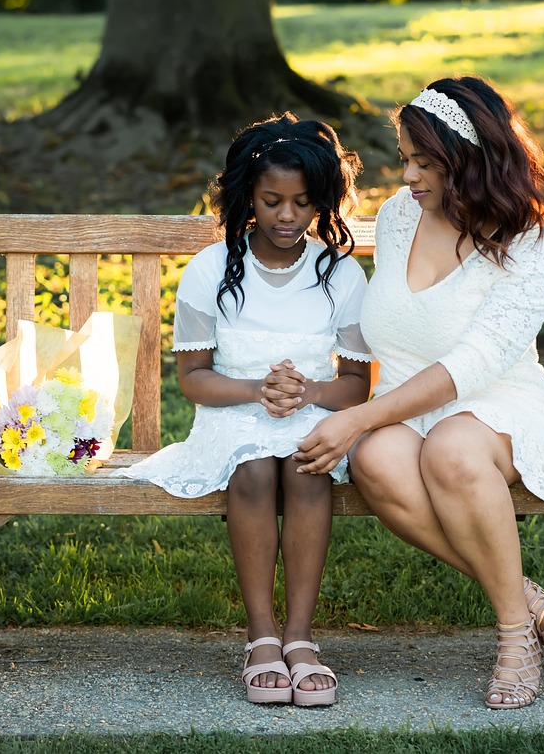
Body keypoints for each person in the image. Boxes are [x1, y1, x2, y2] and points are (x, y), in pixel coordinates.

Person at [293, 76, 544, 710]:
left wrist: (360, 415)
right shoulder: (402, 216)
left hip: (498, 404)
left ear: (472, 161)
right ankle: (528, 598)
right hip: (406, 403)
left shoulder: (527, 237)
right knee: (373, 458)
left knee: (452, 451)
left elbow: (476, 362)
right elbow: (387, 325)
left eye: (425, 163)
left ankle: (514, 637)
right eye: (405, 159)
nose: (408, 177)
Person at [113, 112, 372, 707]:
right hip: (232, 414)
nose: (287, 216)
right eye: (272, 200)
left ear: (323, 203)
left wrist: (304, 393)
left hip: (312, 412)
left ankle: (301, 639)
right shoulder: (212, 270)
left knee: (308, 468)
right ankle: (261, 637)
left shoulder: (339, 273)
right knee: (255, 469)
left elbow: (355, 385)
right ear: (246, 197)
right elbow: (196, 379)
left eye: (303, 202)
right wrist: (258, 389)